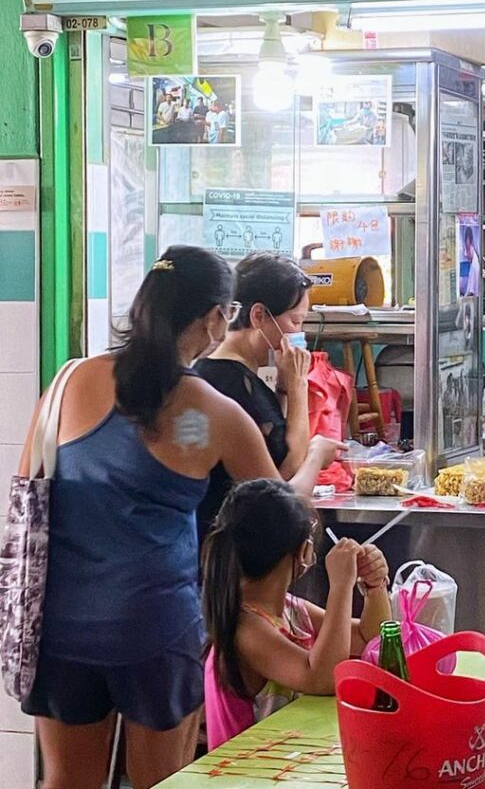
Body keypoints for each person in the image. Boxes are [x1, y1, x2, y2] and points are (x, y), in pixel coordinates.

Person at [18, 246, 306, 789]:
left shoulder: (66, 383)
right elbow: (282, 509)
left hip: (61, 626)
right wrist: (311, 447)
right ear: (215, 318)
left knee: (65, 782)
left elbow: (27, 486)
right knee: (162, 782)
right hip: (154, 627)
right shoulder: (210, 412)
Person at [202, 480, 391, 749]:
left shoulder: (291, 609)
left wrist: (374, 585)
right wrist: (340, 586)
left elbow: (372, 639)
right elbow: (321, 679)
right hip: (248, 776)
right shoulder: (246, 629)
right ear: (303, 551)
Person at [195, 252, 326, 544]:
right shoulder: (234, 386)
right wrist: (298, 386)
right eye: (295, 321)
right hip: (231, 549)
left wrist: (282, 388)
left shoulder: (230, 372)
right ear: (258, 316)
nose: (299, 333)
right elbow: (286, 471)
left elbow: (273, 443)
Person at [462, 225, 481, 297]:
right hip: (475, 262)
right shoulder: (472, 244)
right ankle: (473, 292)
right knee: (474, 279)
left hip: (473, 263)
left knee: (472, 278)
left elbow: (469, 255)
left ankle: (471, 292)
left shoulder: (468, 245)